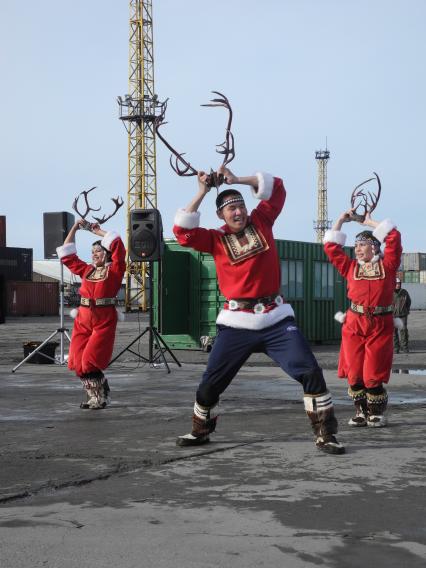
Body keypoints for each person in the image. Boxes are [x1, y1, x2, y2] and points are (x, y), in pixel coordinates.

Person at [172, 166, 345, 455]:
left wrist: (238, 179)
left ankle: (325, 433)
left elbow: (277, 188)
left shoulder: (262, 221)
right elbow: (182, 232)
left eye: (241, 206)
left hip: (276, 320)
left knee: (310, 371)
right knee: (210, 384)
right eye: (231, 209)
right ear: (221, 216)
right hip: (237, 323)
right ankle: (201, 430)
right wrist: (202, 191)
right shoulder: (214, 239)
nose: (238, 212)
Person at [323, 210, 402, 428]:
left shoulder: (388, 266)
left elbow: (394, 237)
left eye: (363, 244)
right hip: (354, 322)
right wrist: (340, 220)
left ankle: (375, 412)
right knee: (355, 371)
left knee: (372, 372)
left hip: (380, 323)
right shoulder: (350, 267)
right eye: (356, 245)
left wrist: (369, 221)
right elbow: (331, 248)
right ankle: (360, 411)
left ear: (375, 246)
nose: (357, 249)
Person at [56, 221, 126, 409]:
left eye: (99, 251)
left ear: (107, 253)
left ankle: (101, 396)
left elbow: (118, 244)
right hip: (83, 319)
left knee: (90, 360)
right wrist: (75, 228)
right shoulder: (87, 270)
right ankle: (94, 395)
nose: (95, 254)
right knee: (77, 361)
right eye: (93, 252)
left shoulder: (116, 270)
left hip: (103, 320)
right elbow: (67, 255)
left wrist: (98, 232)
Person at [393, 278, 411, 353]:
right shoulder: (390, 292)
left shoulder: (404, 292)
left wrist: (405, 310)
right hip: (393, 315)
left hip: (403, 315)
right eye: (396, 284)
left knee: (404, 331)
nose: (398, 285)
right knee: (394, 332)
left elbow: (409, 302)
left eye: (399, 284)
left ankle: (405, 347)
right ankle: (396, 348)